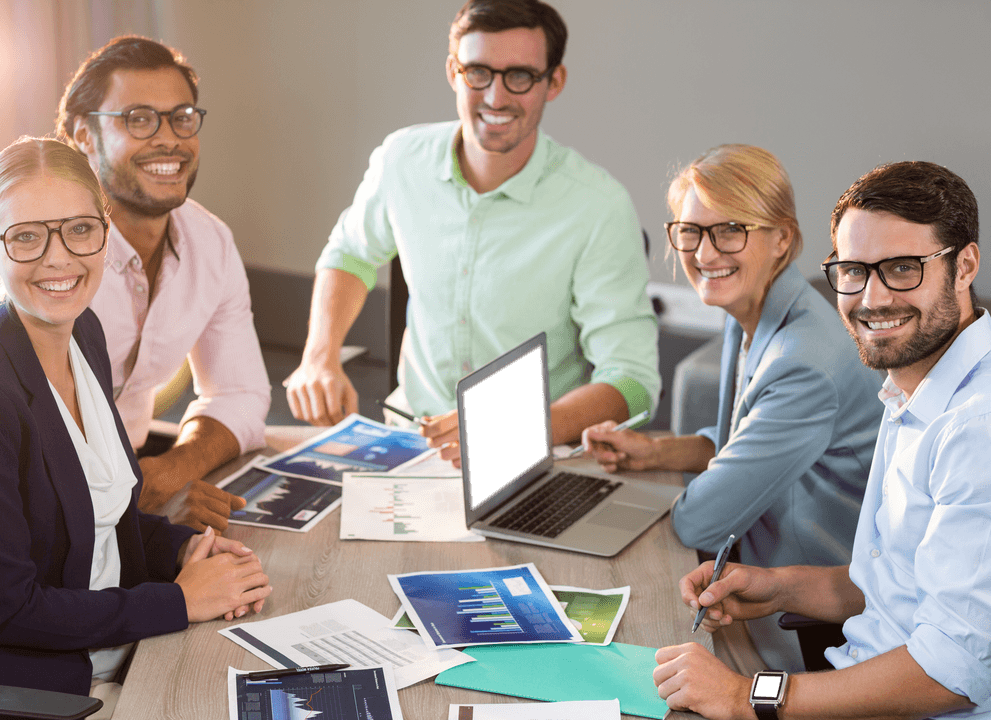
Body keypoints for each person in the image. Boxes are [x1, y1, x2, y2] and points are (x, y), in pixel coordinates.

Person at [0, 137, 272, 718]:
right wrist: (178, 603)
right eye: (27, 236)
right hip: (35, 692)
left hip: (117, 648)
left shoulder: (84, 336)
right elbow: (9, 611)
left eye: (79, 229)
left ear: (105, 233)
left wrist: (184, 550)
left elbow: (108, 521)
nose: (59, 258)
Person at [653, 161, 988, 719]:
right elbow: (898, 584)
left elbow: (952, 672)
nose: (873, 298)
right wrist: (780, 587)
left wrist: (745, 697)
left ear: (964, 267)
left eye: (902, 268)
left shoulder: (976, 429)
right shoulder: (914, 386)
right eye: (854, 271)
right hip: (852, 673)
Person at [287, 0, 660, 465]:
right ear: (453, 72)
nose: (496, 98)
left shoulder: (598, 206)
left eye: (520, 76)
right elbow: (350, 255)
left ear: (554, 82)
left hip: (533, 454)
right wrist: (320, 355)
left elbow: (634, 382)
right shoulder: (401, 159)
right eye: (478, 72)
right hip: (408, 443)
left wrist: (523, 426)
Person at [0, 36, 271, 533]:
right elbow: (8, 463)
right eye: (138, 118)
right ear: (84, 137)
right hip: (34, 525)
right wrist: (135, 505)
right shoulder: (31, 272)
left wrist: (170, 471)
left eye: (182, 117)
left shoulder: (210, 241)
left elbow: (242, 393)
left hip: (130, 491)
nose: (169, 139)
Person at [582, 144, 883, 670]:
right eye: (691, 231)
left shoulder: (804, 362)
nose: (704, 254)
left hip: (814, 626)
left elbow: (700, 521)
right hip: (762, 578)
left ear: (782, 238)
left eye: (729, 231)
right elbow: (749, 437)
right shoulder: (754, 307)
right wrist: (656, 452)